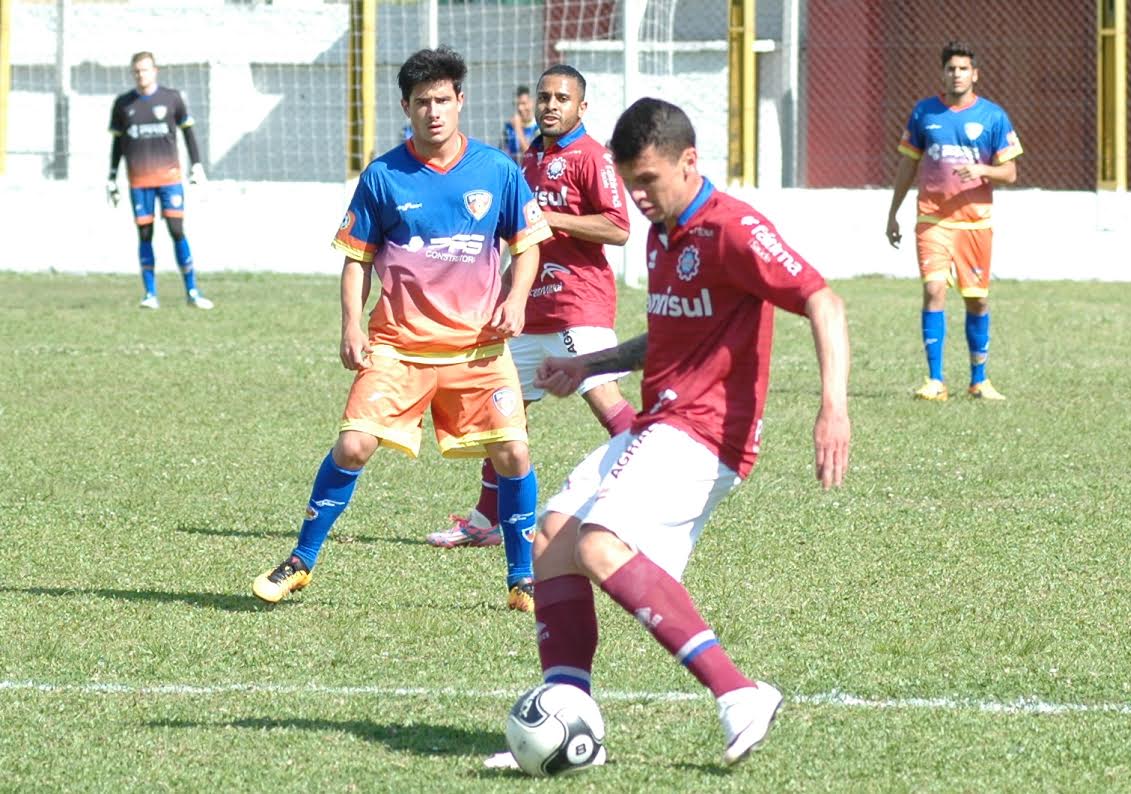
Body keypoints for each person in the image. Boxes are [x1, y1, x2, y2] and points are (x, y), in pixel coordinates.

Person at [488, 97, 851, 769]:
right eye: (631, 185)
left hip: (706, 432)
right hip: (662, 421)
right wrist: (589, 363)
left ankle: (739, 694)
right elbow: (668, 334)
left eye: (649, 182)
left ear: (689, 162)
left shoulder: (731, 228)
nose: (639, 199)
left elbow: (822, 301)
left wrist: (832, 406)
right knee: (552, 539)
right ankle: (571, 717)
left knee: (599, 545)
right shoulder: (663, 234)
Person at [251, 46, 552, 611]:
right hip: (398, 346)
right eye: (422, 103)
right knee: (354, 443)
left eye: (443, 100)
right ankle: (300, 561)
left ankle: (522, 578)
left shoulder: (498, 171)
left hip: (478, 349)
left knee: (514, 453)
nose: (433, 111)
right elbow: (356, 258)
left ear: (460, 101)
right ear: (405, 108)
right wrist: (350, 327)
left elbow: (528, 245)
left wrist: (515, 299)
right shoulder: (384, 175)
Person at [428, 64, 634, 549]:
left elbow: (619, 228)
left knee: (607, 405)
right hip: (529, 311)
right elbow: (522, 238)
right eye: (545, 97)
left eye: (562, 99)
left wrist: (553, 216)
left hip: (576, 306)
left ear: (581, 107)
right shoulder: (529, 159)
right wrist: (496, 294)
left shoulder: (592, 156)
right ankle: (486, 520)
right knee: (500, 413)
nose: (550, 106)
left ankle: (643, 495)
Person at [886, 40, 1022, 401]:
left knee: (976, 301)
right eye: (950, 68)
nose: (956, 74)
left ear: (974, 74)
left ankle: (979, 379)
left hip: (975, 224)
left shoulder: (993, 117)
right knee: (933, 290)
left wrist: (982, 169)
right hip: (932, 218)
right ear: (942, 73)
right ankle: (935, 381)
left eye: (963, 68)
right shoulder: (924, 113)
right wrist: (893, 211)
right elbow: (907, 164)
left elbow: (1010, 172)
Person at [107, 51, 213, 310]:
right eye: (136, 71)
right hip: (139, 180)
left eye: (145, 69)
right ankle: (150, 294)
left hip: (169, 177)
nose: (140, 75)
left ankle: (192, 292)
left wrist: (197, 166)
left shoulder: (172, 98)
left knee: (177, 230)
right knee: (145, 233)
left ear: (155, 70)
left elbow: (188, 132)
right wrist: (112, 176)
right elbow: (117, 143)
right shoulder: (123, 104)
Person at [502, 85, 538, 160]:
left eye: (523, 103)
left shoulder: (538, 127)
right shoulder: (509, 128)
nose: (520, 108)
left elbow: (531, 157)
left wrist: (518, 129)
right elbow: (502, 154)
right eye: (517, 104)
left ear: (532, 103)